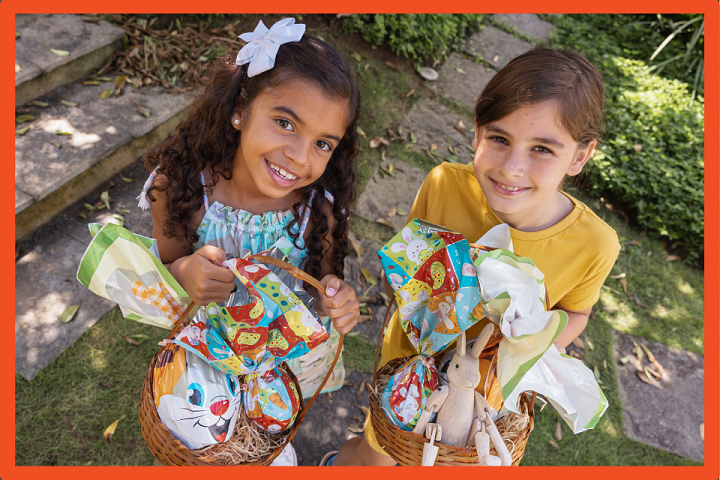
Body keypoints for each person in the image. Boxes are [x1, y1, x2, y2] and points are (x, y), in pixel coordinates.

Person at [328, 47, 621, 466]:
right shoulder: (445, 184)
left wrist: (523, 346)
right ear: (476, 133)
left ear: (579, 156)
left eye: (542, 149)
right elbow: (412, 263)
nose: (512, 168)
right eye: (499, 139)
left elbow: (577, 312)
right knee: (377, 453)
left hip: (484, 395)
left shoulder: (595, 244)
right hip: (410, 366)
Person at [138, 18, 361, 412]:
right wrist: (185, 271)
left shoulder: (316, 209)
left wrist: (333, 296)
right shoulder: (180, 190)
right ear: (240, 110)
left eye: (323, 143)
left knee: (269, 438)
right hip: (209, 363)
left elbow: (319, 281)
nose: (299, 155)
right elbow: (165, 268)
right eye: (284, 123)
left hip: (283, 368)